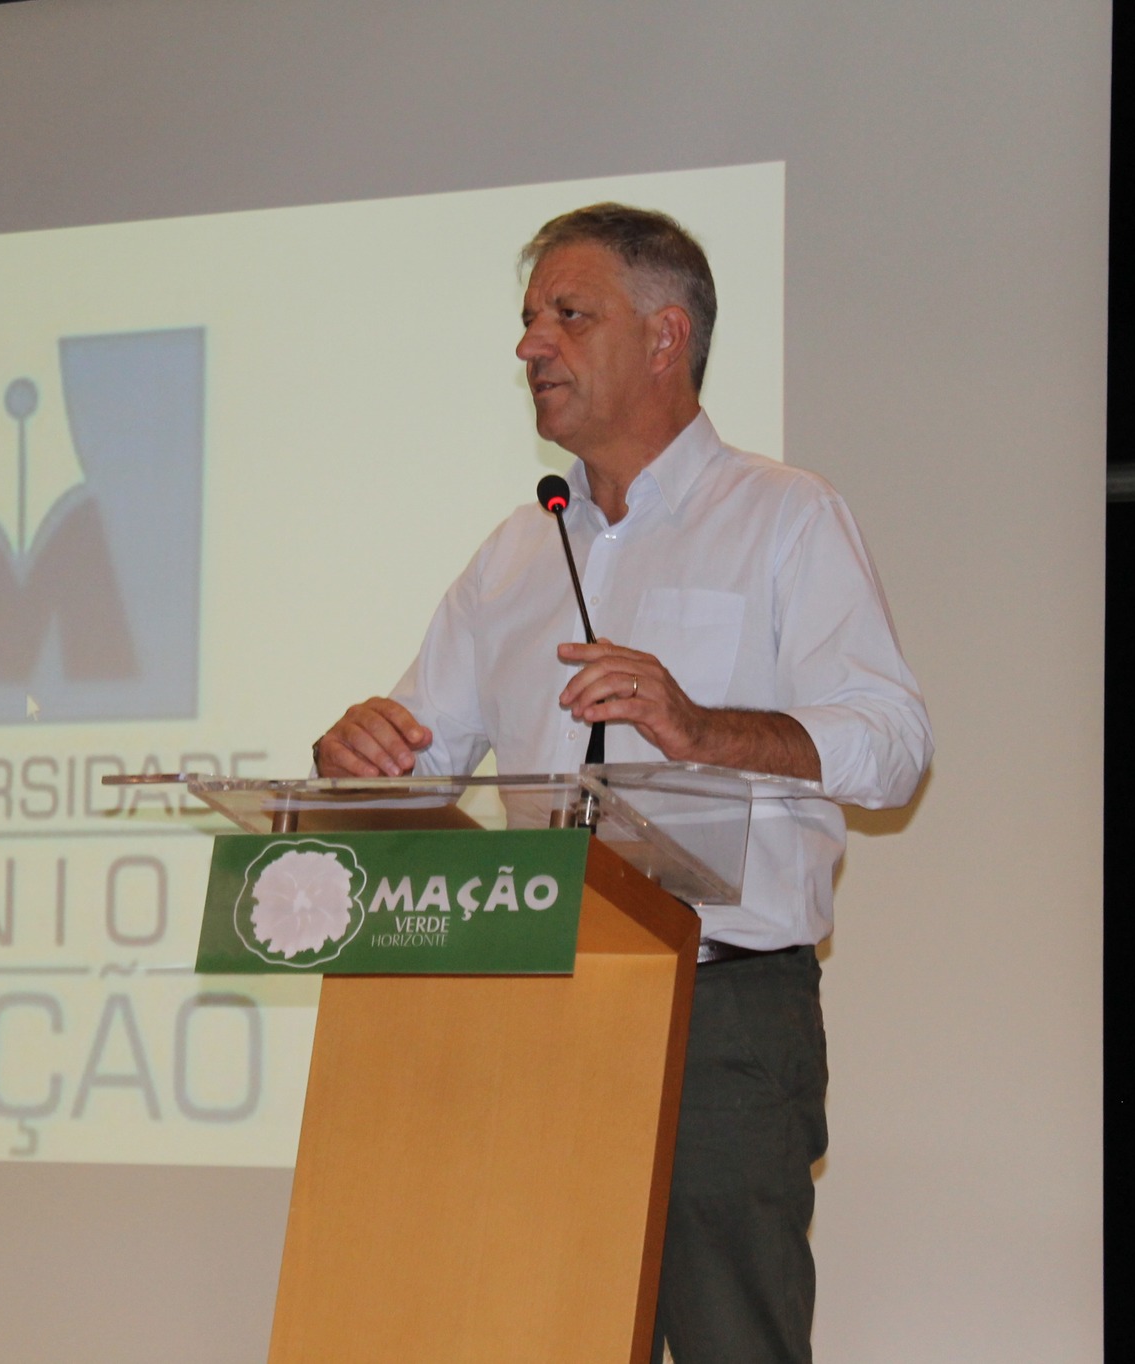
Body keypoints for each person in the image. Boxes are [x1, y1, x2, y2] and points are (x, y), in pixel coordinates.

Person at [312, 203, 931, 1364]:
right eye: (527, 319)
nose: (529, 344)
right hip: (536, 1005)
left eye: (567, 314)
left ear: (663, 336)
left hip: (718, 1013)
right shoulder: (515, 550)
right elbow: (418, 756)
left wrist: (698, 727)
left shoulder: (784, 516)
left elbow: (892, 744)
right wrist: (360, 755)